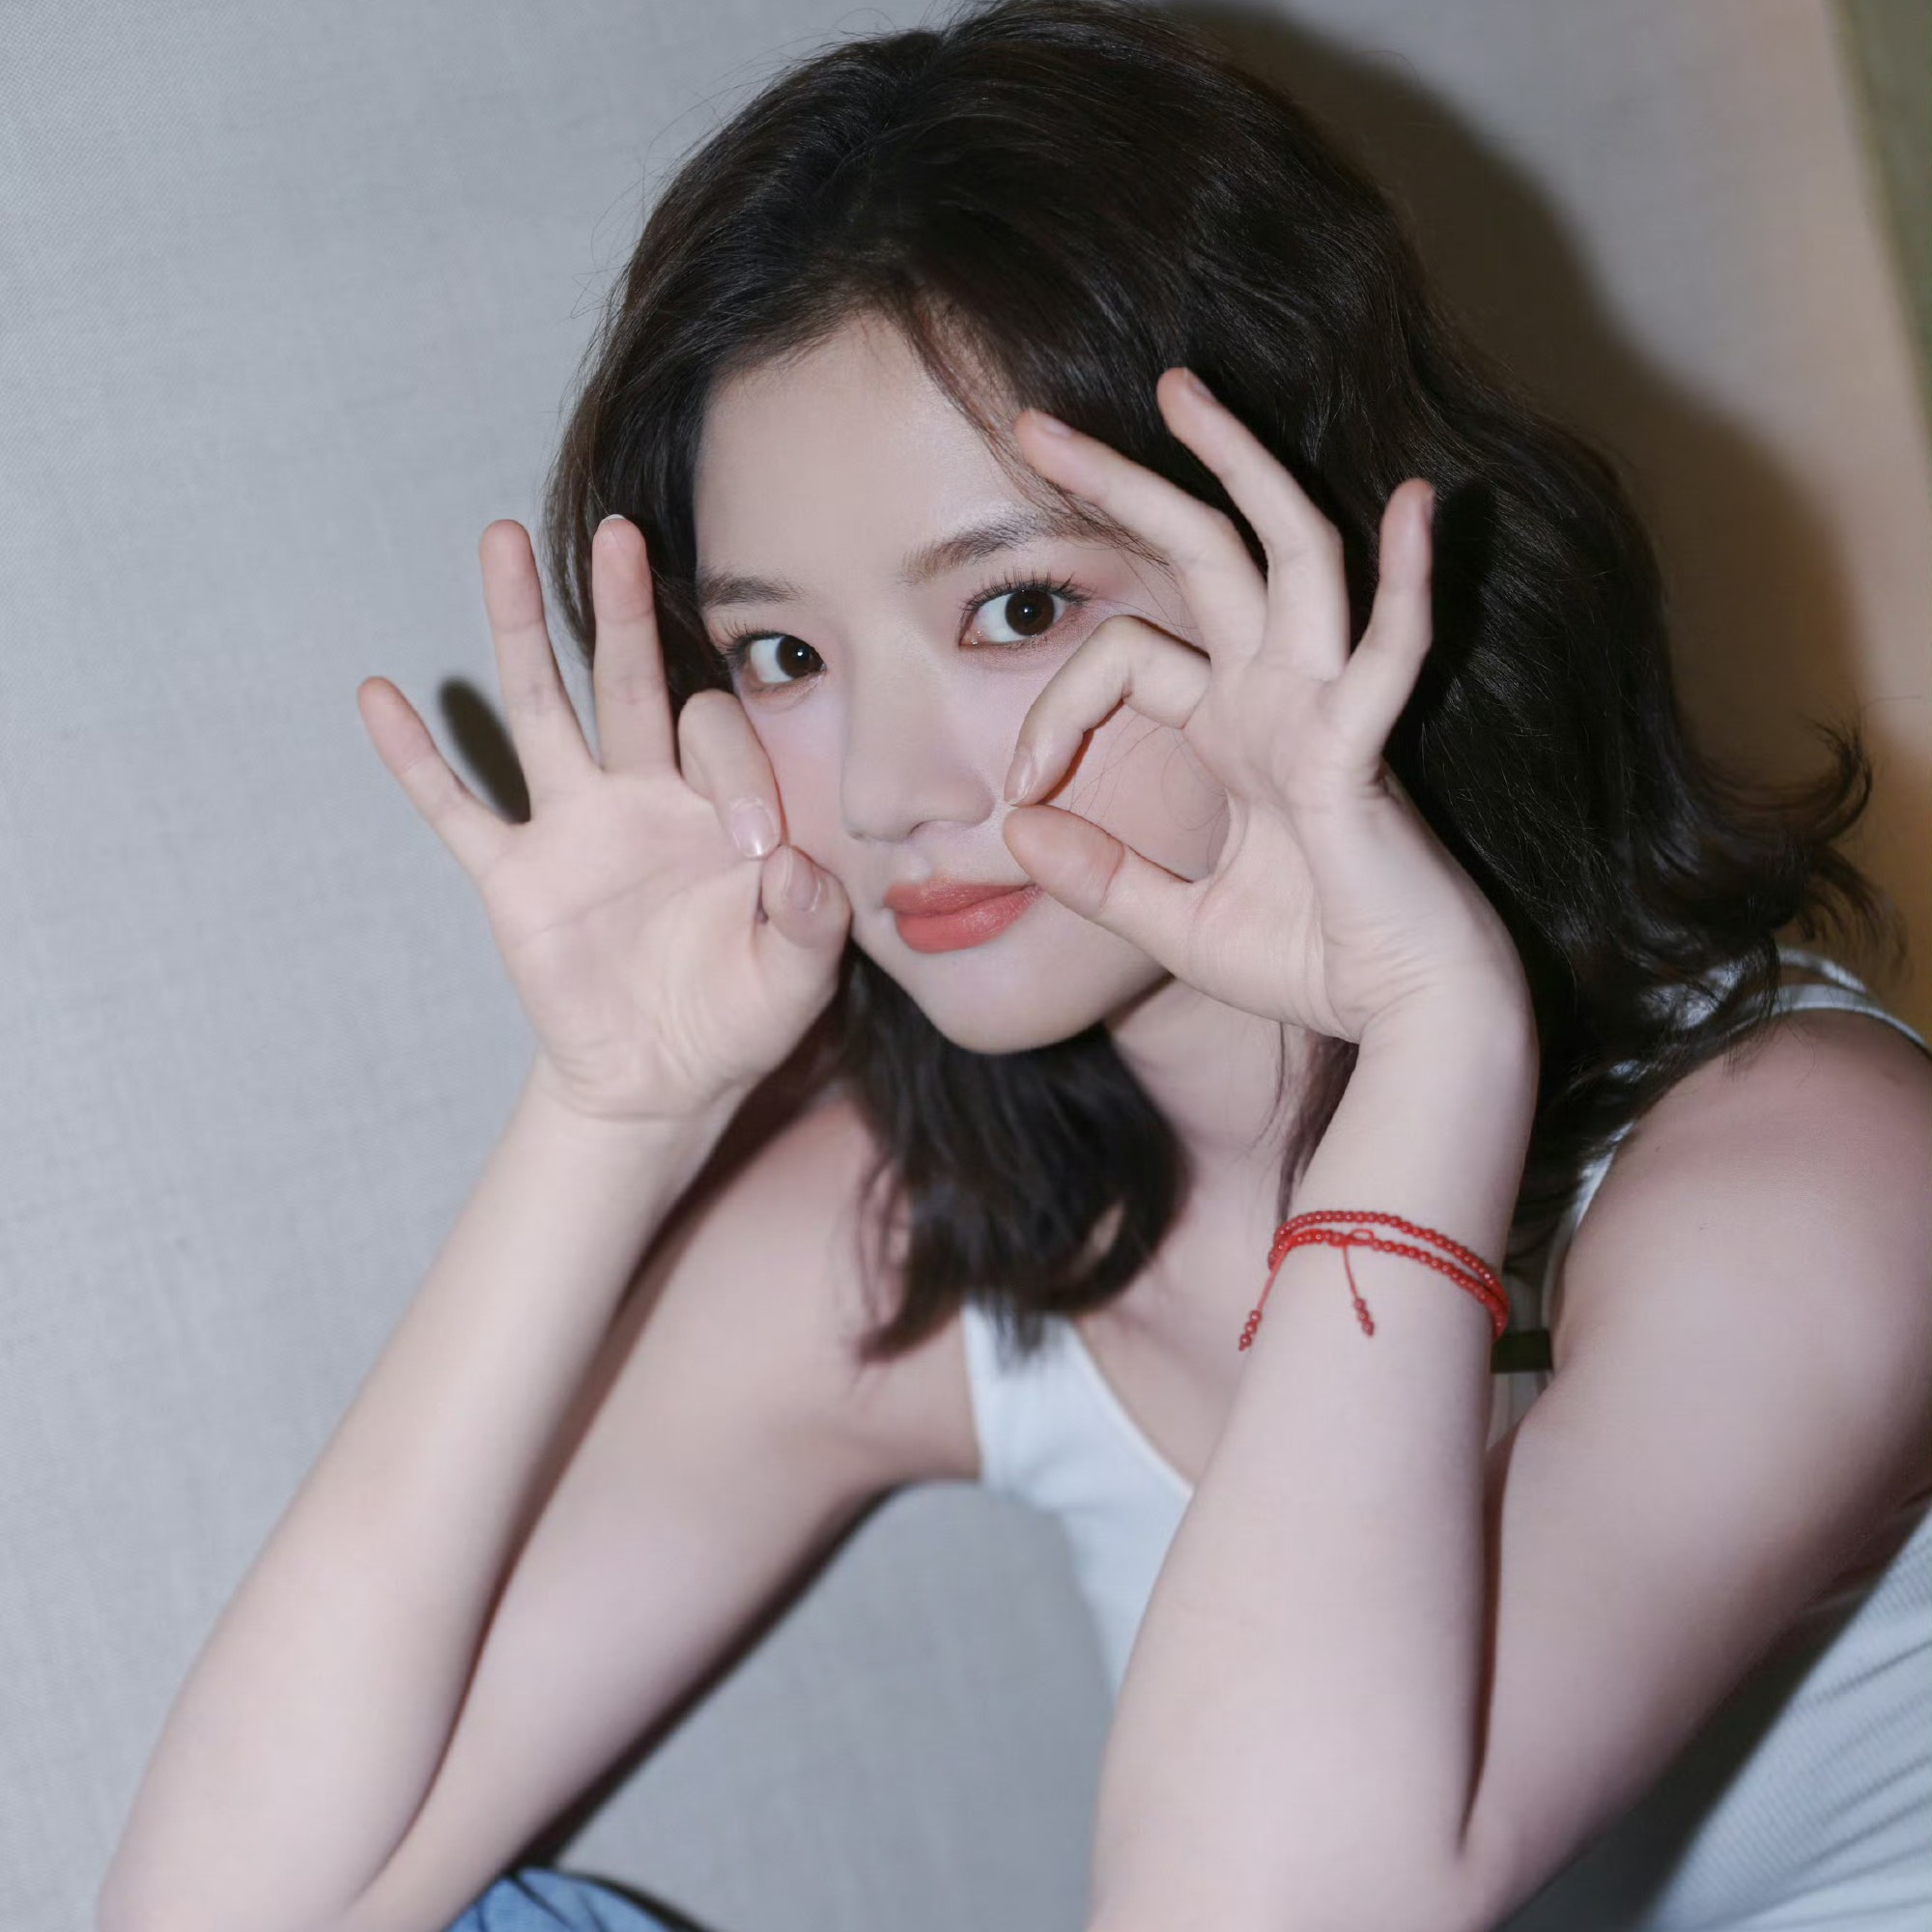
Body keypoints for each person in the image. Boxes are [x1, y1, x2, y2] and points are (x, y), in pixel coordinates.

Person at [98, 1, 1932, 1929]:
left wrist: (1432, 1050)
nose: (886, 792)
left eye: (1016, 606)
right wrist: (611, 1114)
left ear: (1303, 552)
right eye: (786, 657)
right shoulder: (946, 1212)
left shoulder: (1808, 1170)